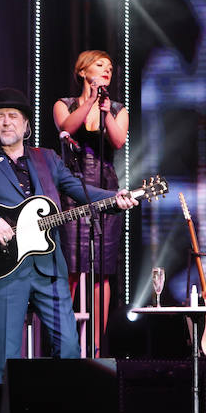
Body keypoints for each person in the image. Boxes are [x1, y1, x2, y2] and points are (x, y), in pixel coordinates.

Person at [0, 87, 137, 386]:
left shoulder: (48, 159)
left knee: (70, 348)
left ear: (26, 124)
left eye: (12, 116)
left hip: (49, 267)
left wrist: (115, 197)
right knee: (8, 357)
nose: (6, 122)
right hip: (5, 269)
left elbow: (80, 192)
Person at [52, 50, 128, 356]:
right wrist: (91, 101)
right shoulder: (64, 104)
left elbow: (119, 141)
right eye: (100, 66)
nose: (107, 71)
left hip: (106, 190)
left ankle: (97, 344)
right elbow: (68, 127)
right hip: (72, 190)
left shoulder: (118, 108)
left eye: (110, 68)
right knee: (70, 265)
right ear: (83, 72)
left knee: (104, 269)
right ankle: (64, 340)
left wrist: (106, 110)